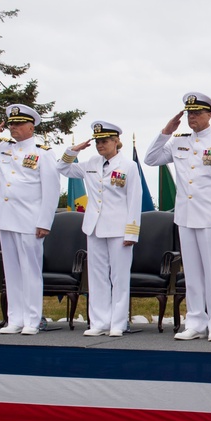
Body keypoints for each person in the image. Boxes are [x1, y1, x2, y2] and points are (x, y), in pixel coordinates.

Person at [145, 92, 211, 342]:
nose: (192, 117)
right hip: (186, 218)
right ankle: (195, 322)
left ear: (210, 115)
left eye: (197, 113)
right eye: (189, 113)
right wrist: (166, 132)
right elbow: (151, 158)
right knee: (193, 274)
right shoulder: (178, 141)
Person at [0, 104, 60, 335]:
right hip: (5, 217)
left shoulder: (42, 152)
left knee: (30, 270)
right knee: (12, 271)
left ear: (31, 127)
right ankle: (14, 319)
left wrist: (44, 222)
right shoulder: (2, 148)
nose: (14, 128)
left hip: (30, 219)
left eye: (18, 124)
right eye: (11, 124)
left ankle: (32, 319)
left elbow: (51, 190)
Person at [58, 121, 141, 337]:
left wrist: (131, 232)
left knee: (119, 277)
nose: (100, 145)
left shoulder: (128, 166)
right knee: (96, 276)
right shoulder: (90, 163)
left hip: (119, 228)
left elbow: (134, 200)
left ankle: (118, 323)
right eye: (97, 141)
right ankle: (99, 321)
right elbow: (62, 168)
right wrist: (72, 151)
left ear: (116, 142)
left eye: (104, 141)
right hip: (94, 227)